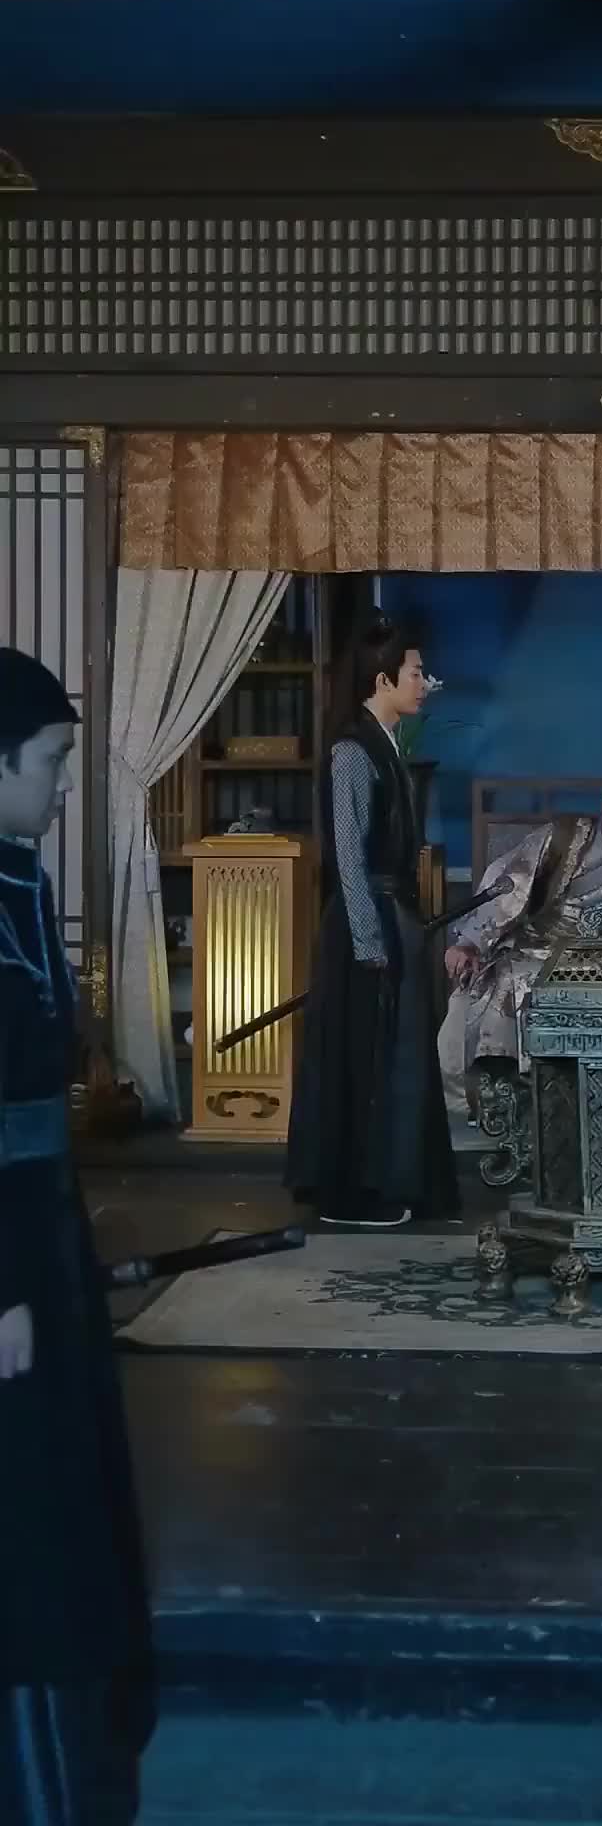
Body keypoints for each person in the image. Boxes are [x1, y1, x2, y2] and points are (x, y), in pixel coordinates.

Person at [0, 648, 154, 1824]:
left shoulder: (18, 879)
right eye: (51, 760)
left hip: (43, 1228)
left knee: (68, 1491)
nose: (62, 786)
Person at [286, 614, 459, 1228]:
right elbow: (350, 857)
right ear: (382, 679)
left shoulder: (385, 746)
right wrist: (367, 939)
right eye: (416, 672)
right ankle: (352, 1191)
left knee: (399, 1055)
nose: (424, 682)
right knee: (365, 1057)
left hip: (391, 915)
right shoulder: (352, 752)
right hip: (368, 922)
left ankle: (396, 1179)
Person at [438, 756, 602, 1115]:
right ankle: (506, 1094)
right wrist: (471, 942)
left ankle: (597, 1100)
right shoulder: (563, 835)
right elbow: (510, 884)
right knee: (500, 984)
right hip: (536, 945)